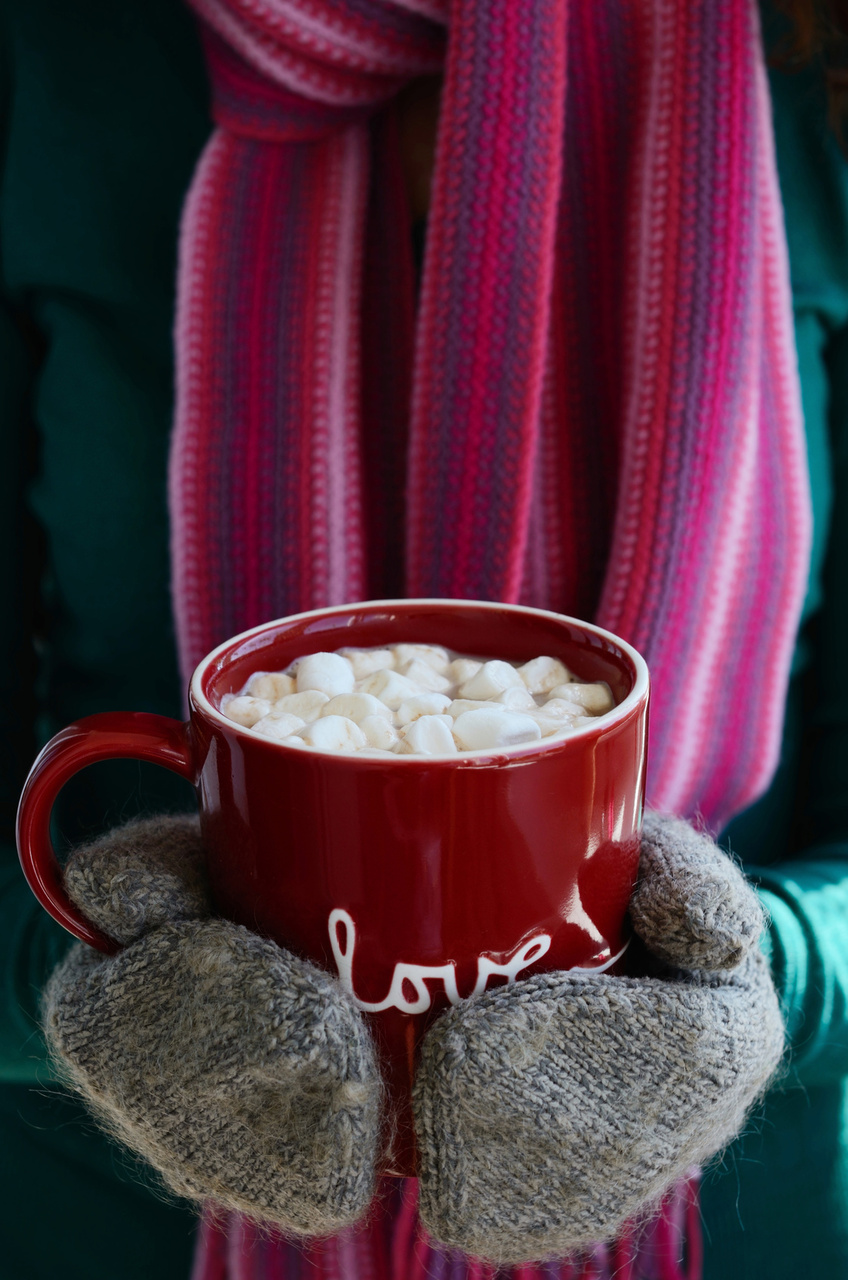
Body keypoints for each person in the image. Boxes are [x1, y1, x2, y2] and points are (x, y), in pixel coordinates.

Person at [1, 1, 846, 1278]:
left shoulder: (815, 63)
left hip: (733, 1225)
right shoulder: (55, 57)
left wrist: (766, 977)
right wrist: (62, 991)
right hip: (112, 1223)